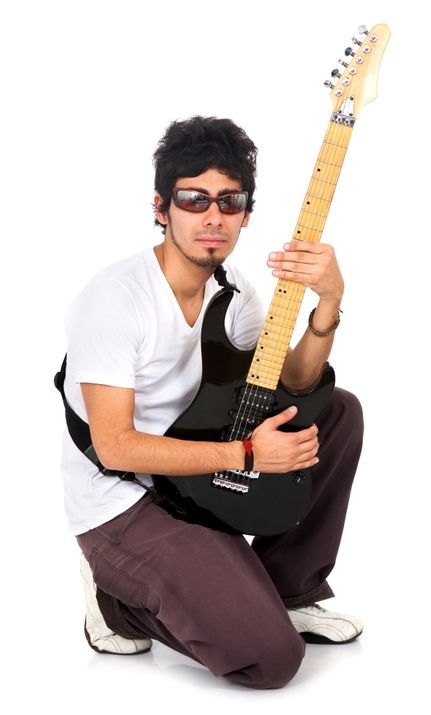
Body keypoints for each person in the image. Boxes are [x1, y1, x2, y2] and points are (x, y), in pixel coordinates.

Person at [59, 115, 364, 689]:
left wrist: (328, 301)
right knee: (270, 661)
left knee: (337, 409)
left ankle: (286, 590)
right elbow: (115, 446)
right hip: (124, 504)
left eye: (230, 201)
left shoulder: (233, 289)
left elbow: (293, 385)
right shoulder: (116, 298)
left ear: (246, 214)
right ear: (161, 206)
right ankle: (116, 599)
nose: (212, 216)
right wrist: (248, 456)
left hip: (198, 474)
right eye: (194, 198)